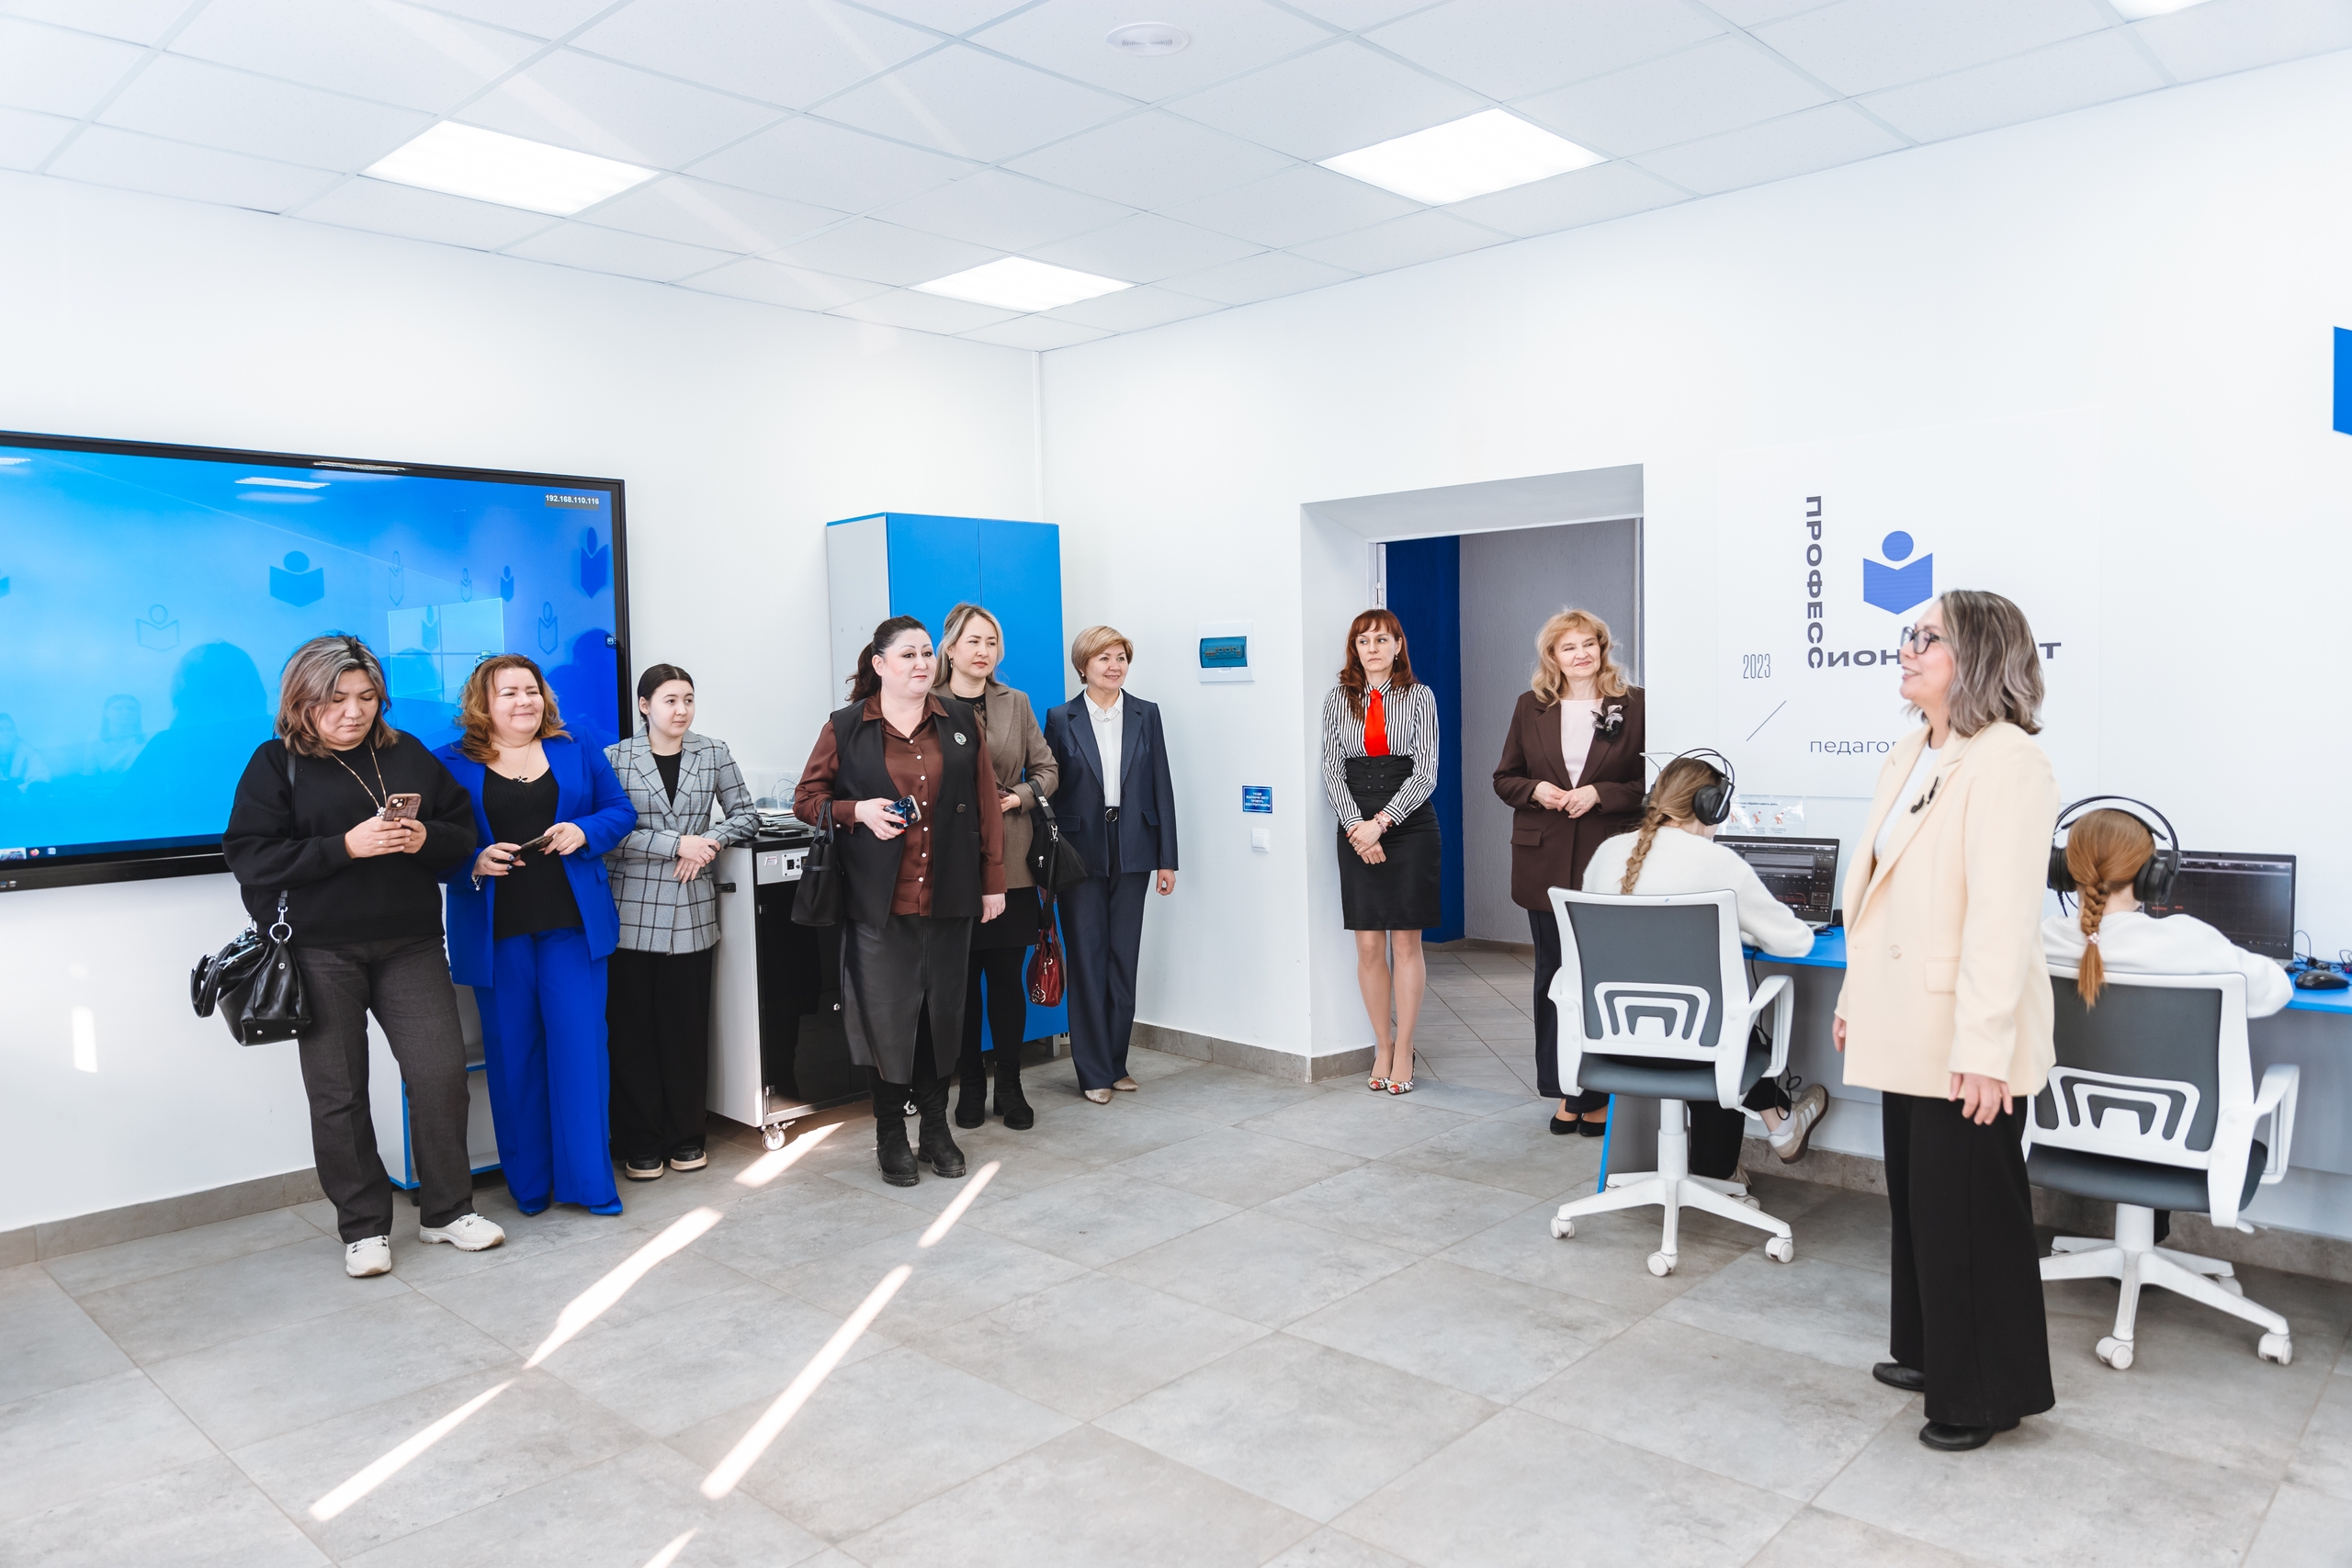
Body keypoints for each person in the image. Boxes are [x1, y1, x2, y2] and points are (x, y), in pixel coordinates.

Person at [1834, 590, 2058, 1452]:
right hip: (1904, 1018)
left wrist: (1985, 1049)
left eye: (1927, 637)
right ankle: (1931, 1351)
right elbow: (1880, 895)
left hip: (1964, 1030)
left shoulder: (2009, 762)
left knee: (1969, 1210)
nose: (1908, 647)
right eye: (1909, 633)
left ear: (1980, 655)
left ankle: (1986, 1393)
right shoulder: (1912, 751)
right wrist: (1853, 997)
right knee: (1923, 1200)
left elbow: (2001, 920)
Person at [221, 636, 505, 1278]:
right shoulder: (275, 764)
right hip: (318, 951)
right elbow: (251, 857)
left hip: (410, 942)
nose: (354, 712)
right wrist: (344, 847)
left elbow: (460, 834)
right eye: (336, 699)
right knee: (339, 1093)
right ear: (302, 700)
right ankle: (364, 1226)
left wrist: (424, 836)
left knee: (439, 1076)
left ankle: (447, 1211)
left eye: (367, 697)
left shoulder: (406, 754)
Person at [795, 616, 1006, 1185]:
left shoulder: (960, 721)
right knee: (884, 1021)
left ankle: (935, 1128)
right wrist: (856, 811)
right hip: (877, 903)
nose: (921, 663)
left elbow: (986, 804)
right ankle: (890, 1132)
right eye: (908, 654)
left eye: (926, 653)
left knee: (942, 1017)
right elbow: (806, 799)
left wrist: (993, 881)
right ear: (880, 664)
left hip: (950, 896)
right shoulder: (845, 726)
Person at [435, 657, 637, 1218]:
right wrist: (473, 862)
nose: (524, 701)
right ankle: (529, 1186)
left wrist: (584, 830)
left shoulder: (577, 745)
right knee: (513, 1059)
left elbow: (620, 811)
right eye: (509, 693)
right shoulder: (448, 762)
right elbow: (429, 843)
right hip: (497, 934)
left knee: (582, 1053)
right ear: (483, 703)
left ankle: (591, 1184)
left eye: (532, 690)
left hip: (572, 927)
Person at [2042, 806, 2292, 1243]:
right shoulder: (2189, 940)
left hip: (2060, 1142)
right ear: (2152, 878)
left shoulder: (2039, 939)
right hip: (2186, 1145)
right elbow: (2276, 991)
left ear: (2063, 871)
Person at [1582, 755, 1831, 1175]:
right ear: (1711, 807)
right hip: (1700, 1052)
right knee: (1724, 1025)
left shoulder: (1607, 852)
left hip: (1614, 1045)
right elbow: (1795, 941)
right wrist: (1744, 929)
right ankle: (1745, 1151)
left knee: (1706, 1019)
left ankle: (1731, 1163)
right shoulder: (1717, 862)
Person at [604, 663, 760, 1181]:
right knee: (633, 1035)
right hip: (629, 913)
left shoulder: (712, 752)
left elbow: (747, 815)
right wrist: (676, 844)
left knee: (686, 1032)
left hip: (692, 912)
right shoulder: (614, 758)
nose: (681, 710)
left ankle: (687, 1138)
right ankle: (640, 1143)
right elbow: (607, 833)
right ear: (644, 705)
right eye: (670, 700)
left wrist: (709, 841)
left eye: (688, 699)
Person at [1492, 608, 1645, 1135]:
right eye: (1568, 647)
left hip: (1608, 861)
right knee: (1553, 976)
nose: (1580, 654)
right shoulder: (1529, 706)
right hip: (1544, 862)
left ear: (1603, 648)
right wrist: (1536, 789)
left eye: (1588, 644)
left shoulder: (1635, 705)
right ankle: (1565, 1090)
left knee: (1603, 978)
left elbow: (1649, 784)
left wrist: (1600, 793)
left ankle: (1599, 1092)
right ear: (1552, 657)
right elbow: (1505, 778)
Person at [1045, 626, 1179, 1104]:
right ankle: (1093, 1071)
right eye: (1103, 658)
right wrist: (1045, 862)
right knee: (1087, 958)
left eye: (1120, 657)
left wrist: (1167, 859)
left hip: (1135, 846)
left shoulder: (1147, 713)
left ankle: (1116, 1063)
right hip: (1079, 850)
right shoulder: (1060, 718)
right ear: (1083, 666)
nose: (1114, 666)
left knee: (1124, 957)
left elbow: (1162, 785)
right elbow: (1049, 789)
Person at [936, 604, 1057, 1131]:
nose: (984, 651)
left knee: (1006, 980)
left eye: (991, 642)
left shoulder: (1016, 701)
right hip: (950, 864)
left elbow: (1048, 768)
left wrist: (1020, 797)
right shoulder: (927, 703)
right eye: (973, 641)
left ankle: (1009, 1085)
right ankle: (969, 1085)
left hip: (1012, 862)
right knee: (959, 985)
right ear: (950, 648)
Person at [1321, 609, 1441, 1096]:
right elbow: (1332, 768)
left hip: (1408, 823)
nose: (1372, 648)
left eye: (1382, 640)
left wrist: (1381, 824)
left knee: (1405, 942)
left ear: (1397, 646)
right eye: (1363, 641)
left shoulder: (1420, 695)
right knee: (1369, 944)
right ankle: (1383, 1045)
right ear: (1355, 649)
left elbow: (1426, 770)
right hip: (1355, 822)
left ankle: (1406, 1047)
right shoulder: (1338, 698)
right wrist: (1357, 826)